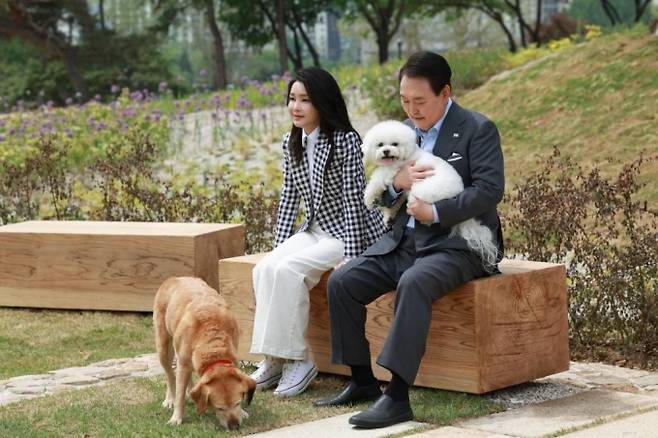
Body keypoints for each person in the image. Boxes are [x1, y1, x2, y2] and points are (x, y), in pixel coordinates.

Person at [314, 51, 505, 428]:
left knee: (413, 283)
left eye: (420, 101)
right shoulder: (401, 132)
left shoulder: (477, 129)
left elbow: (489, 190)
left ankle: (397, 397)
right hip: (404, 242)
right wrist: (396, 186)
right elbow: (385, 193)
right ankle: (363, 381)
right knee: (343, 281)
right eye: (405, 100)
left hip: (458, 244)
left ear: (445, 92)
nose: (412, 109)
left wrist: (435, 212)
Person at [249, 67, 387, 397]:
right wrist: (279, 245)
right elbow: (289, 196)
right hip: (313, 229)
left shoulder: (345, 141)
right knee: (265, 267)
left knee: (289, 270)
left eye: (305, 100)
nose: (296, 107)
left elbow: (355, 201)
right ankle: (275, 358)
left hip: (345, 234)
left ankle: (300, 360)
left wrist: (352, 257)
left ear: (322, 103)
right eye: (292, 99)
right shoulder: (291, 141)